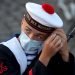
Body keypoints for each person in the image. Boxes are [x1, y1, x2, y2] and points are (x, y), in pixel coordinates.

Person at [0, 2, 75, 75]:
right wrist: (45, 57)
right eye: (27, 30)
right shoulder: (3, 52)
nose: (31, 37)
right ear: (22, 22)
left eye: (39, 36)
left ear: (48, 37)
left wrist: (65, 54)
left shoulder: (51, 51)